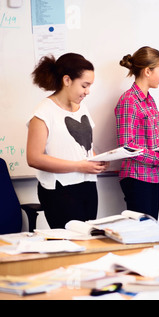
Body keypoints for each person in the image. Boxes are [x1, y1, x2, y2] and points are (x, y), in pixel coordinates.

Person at [27, 53, 108, 229]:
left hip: (87, 185)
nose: (88, 91)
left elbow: (83, 148)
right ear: (67, 80)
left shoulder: (82, 108)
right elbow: (34, 158)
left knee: (88, 243)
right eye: (84, 85)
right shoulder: (43, 112)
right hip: (60, 190)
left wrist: (96, 160)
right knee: (69, 246)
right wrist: (79, 166)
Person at [115, 46, 159, 220]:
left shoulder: (149, 100)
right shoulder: (129, 100)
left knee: (151, 231)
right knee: (142, 235)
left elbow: (151, 140)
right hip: (136, 177)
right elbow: (127, 146)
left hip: (152, 176)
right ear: (147, 72)